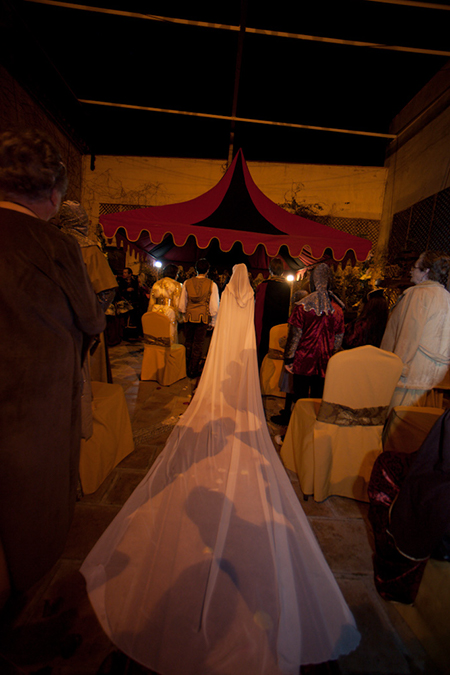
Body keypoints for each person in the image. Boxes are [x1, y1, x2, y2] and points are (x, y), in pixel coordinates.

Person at [80, 264, 360, 674]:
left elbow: (219, 323)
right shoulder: (269, 302)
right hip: (252, 351)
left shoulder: (229, 293)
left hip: (224, 344)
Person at [0, 128, 106, 602]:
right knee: (26, 509)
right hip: (28, 399)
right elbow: (89, 316)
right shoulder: (58, 246)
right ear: (55, 194)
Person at [380, 250, 450, 409]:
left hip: (410, 381)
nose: (411, 270)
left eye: (415, 267)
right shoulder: (446, 296)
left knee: (399, 428)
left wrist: (396, 369)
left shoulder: (419, 294)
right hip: (433, 379)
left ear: (426, 272)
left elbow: (408, 336)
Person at [283, 263, 345, 404]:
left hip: (303, 360)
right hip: (325, 361)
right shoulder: (338, 309)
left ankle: (299, 425)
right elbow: (338, 339)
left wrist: (288, 359)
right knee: (317, 402)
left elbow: (295, 336)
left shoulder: (302, 306)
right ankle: (313, 425)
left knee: (300, 400)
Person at [178, 258, 219, 378]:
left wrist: (185, 313)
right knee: (198, 344)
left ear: (196, 269)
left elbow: (181, 305)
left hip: (189, 316)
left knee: (188, 342)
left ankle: (185, 367)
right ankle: (193, 370)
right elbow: (214, 306)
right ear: (207, 270)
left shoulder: (187, 282)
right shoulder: (212, 284)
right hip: (203, 317)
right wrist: (213, 321)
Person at [254, 257, 291, 367]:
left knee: (264, 353)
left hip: (265, 324)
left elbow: (258, 309)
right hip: (280, 325)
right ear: (282, 271)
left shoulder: (263, 285)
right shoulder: (287, 287)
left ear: (270, 270)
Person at [147, 263, 183, 343]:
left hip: (156, 310)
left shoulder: (156, 284)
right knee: (169, 335)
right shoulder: (177, 285)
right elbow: (177, 303)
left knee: (156, 334)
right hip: (169, 311)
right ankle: (168, 354)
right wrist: (180, 318)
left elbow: (151, 302)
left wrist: (149, 314)